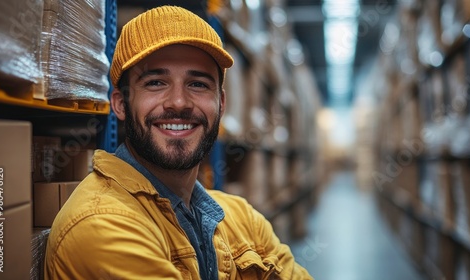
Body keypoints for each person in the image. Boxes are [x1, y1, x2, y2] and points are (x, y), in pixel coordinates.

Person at [44, 5, 313, 280]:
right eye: (156, 82)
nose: (179, 102)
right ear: (121, 104)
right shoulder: (101, 226)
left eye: (197, 84)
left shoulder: (243, 219)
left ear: (220, 104)